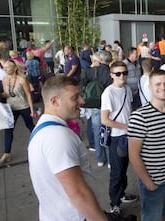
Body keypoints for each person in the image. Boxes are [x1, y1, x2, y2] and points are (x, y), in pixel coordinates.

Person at [27, 76, 109, 220]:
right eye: (75, 97)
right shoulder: (58, 137)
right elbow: (78, 193)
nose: (82, 101)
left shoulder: (44, 128)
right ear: (55, 101)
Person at [128, 69, 165, 221]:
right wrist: (148, 183)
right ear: (150, 87)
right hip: (154, 182)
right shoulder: (139, 117)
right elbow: (133, 155)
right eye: (158, 84)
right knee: (152, 217)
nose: (163, 87)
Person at [101, 61, 137, 214]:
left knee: (123, 169)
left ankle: (121, 194)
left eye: (124, 73)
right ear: (111, 75)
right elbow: (105, 119)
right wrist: (126, 127)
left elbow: (128, 110)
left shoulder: (127, 89)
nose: (122, 76)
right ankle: (114, 204)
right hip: (117, 137)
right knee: (116, 172)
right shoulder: (108, 93)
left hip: (129, 136)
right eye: (118, 73)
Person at [0, 59, 35, 164]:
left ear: (14, 68)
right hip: (10, 108)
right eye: (4, 68)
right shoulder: (4, 79)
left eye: (7, 67)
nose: (5, 69)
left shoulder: (22, 79)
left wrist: (32, 110)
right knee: (8, 130)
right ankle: (7, 154)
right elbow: (5, 95)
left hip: (23, 106)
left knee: (30, 127)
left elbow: (28, 95)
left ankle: (41, 143)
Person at [80, 51, 113, 167]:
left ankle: (100, 159)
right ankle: (110, 160)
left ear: (99, 60)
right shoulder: (110, 72)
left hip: (94, 105)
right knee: (108, 133)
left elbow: (82, 82)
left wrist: (90, 68)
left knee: (97, 132)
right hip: (108, 106)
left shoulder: (90, 71)